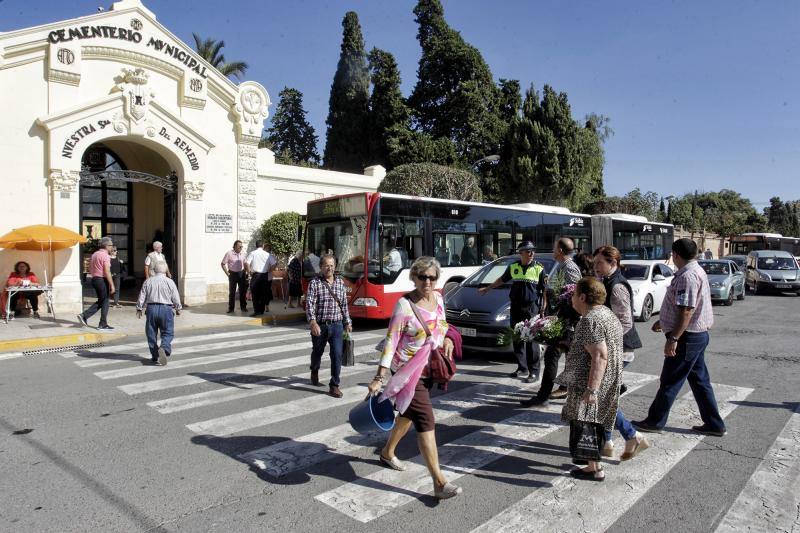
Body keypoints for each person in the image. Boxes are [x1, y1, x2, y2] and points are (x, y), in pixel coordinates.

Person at [367, 256, 462, 500]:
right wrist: (379, 376)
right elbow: (391, 342)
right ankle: (439, 482)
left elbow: (442, 324)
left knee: (408, 413)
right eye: (422, 277)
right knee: (425, 419)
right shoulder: (404, 306)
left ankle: (387, 452)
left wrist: (448, 338)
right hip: (407, 372)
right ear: (414, 277)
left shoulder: (438, 298)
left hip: (429, 368)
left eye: (432, 277)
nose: (427, 282)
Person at [634, 238, 726, 437]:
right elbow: (683, 308)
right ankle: (714, 424)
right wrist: (663, 321)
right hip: (694, 335)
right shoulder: (694, 271)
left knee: (670, 381)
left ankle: (655, 421)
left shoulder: (688, 276)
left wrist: (673, 338)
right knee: (700, 382)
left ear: (675, 255)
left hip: (687, 338)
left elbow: (687, 310)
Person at [560, 277, 624, 481]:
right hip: (607, 377)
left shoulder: (590, 320)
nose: (571, 299)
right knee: (591, 423)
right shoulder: (606, 313)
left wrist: (592, 389)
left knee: (587, 423)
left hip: (591, 380)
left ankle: (595, 470)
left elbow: (600, 355)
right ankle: (592, 466)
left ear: (582, 297)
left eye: (574, 295)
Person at [593, 246, 650, 460]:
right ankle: (607, 442)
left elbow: (625, 322)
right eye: (595, 262)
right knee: (605, 396)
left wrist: (604, 342)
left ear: (613, 263)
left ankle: (631, 436)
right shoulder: (606, 280)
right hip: (610, 349)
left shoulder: (616, 286)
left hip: (619, 350)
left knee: (602, 397)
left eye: (600, 263)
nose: (596, 266)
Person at [520, 237, 581, 405]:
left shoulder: (569, 268)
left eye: (554, 248)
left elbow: (575, 295)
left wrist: (565, 319)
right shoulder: (561, 265)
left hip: (566, 321)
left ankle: (544, 395)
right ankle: (562, 389)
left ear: (560, 250)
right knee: (562, 357)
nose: (553, 250)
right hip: (561, 319)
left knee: (551, 357)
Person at [479, 241, 545, 383]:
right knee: (517, 338)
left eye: (532, 251)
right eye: (528, 251)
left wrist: (544, 308)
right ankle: (522, 367)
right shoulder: (513, 267)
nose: (531, 253)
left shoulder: (539, 269)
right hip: (516, 307)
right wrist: (487, 288)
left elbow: (544, 290)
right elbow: (502, 280)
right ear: (521, 253)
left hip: (531, 308)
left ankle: (534, 371)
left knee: (531, 340)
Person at [306, 254, 352, 398]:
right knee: (317, 352)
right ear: (321, 267)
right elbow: (310, 304)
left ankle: (334, 385)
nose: (329, 268)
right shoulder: (315, 283)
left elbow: (344, 305)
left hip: (337, 325)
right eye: (326, 265)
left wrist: (347, 322)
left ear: (335, 267)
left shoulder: (340, 283)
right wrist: (313, 322)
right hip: (320, 326)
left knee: (337, 355)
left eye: (332, 265)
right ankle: (314, 369)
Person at [136, 261, 181, 365]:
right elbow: (175, 296)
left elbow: (142, 295)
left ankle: (155, 355)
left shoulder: (148, 281)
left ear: (154, 270)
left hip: (151, 309)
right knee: (168, 332)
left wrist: (139, 308)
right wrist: (178, 308)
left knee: (151, 333)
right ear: (165, 270)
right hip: (166, 309)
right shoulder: (170, 282)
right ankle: (164, 347)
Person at [78, 237, 115, 330]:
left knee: (102, 300)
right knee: (105, 301)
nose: (112, 247)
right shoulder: (105, 256)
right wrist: (112, 285)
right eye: (111, 245)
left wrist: (95, 275)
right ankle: (101, 323)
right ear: (106, 246)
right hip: (102, 280)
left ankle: (87, 316)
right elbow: (107, 271)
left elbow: (89, 268)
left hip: (95, 279)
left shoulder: (95, 254)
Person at [245, 241, 277, 316]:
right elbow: (274, 263)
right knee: (263, 293)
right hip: (265, 275)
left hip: (256, 275)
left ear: (256, 246)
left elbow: (247, 263)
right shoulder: (267, 254)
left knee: (255, 294)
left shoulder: (252, 253)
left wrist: (249, 271)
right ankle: (261, 310)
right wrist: (270, 270)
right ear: (262, 246)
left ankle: (256, 311)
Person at [221, 240, 247, 314]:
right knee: (232, 292)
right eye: (240, 246)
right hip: (232, 274)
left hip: (241, 273)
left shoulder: (243, 253)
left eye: (241, 246)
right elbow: (223, 264)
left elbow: (245, 263)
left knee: (242, 291)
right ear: (235, 246)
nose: (241, 248)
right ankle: (231, 308)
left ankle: (243, 307)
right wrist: (228, 274)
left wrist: (246, 272)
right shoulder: (229, 253)